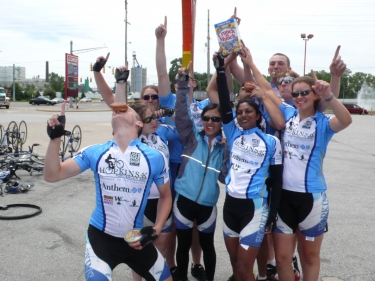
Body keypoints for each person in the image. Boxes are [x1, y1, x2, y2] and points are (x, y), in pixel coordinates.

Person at [43, 99, 173, 281]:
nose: (118, 110)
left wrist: (157, 228)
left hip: (134, 239)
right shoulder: (96, 152)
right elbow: (52, 175)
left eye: (126, 110)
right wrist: (55, 138)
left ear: (138, 123)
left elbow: (166, 196)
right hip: (101, 239)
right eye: (115, 112)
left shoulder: (155, 157)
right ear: (112, 130)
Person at [265, 67, 352, 280]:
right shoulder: (289, 113)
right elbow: (268, 91)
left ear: (315, 95)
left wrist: (329, 95)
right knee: (283, 258)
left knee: (309, 257)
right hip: (284, 197)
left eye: (304, 92)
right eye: (295, 94)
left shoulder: (323, 123)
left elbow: (346, 120)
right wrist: (249, 66)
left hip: (312, 199)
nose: (299, 97)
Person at [215, 52, 283, 281]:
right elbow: (224, 104)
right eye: (240, 112)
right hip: (230, 205)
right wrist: (221, 69)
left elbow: (277, 180)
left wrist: (272, 214)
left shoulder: (271, 142)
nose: (243, 115)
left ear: (257, 115)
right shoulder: (232, 132)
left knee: (244, 268)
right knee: (237, 267)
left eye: (248, 112)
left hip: (255, 207)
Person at [155, 16, 207, 280]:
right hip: (172, 167)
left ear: (194, 85)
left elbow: (222, 91)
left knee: (197, 223)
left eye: (188, 80)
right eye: (181, 80)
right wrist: (160, 40)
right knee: (173, 225)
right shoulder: (171, 99)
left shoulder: (204, 105)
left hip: (196, 168)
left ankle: (197, 263)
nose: (184, 83)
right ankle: (171, 264)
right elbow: (163, 73)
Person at [173, 65, 225, 281]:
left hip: (207, 206)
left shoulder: (225, 147)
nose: (210, 122)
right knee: (183, 246)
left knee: (207, 247)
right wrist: (183, 85)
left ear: (222, 122)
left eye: (215, 119)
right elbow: (183, 113)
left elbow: (225, 177)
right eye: (206, 119)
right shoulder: (192, 139)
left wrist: (228, 147)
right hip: (183, 201)